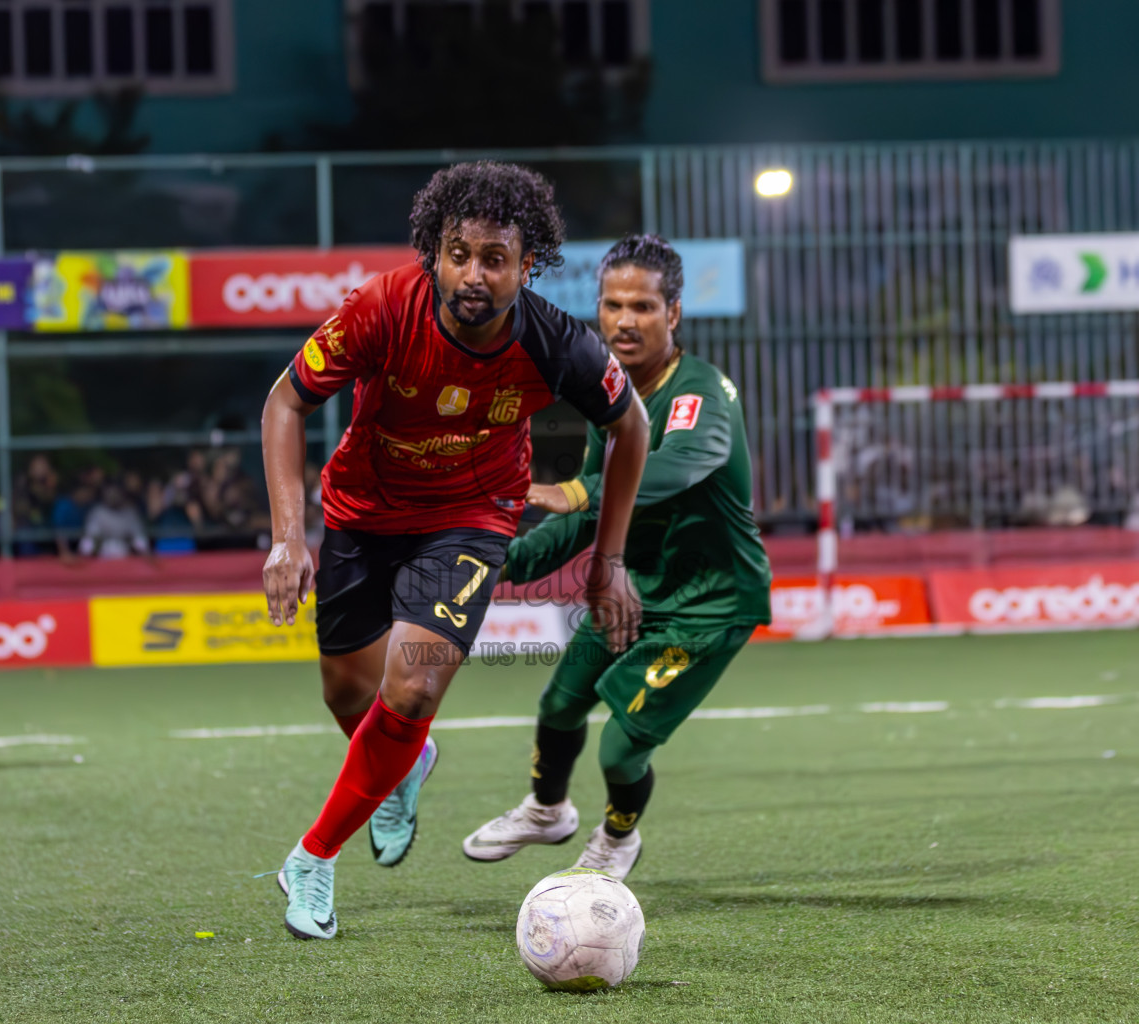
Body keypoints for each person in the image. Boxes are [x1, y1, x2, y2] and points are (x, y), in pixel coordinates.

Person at [261, 161, 650, 940]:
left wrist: (606, 562)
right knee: (348, 694)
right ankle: (404, 764)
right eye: (459, 253)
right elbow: (285, 401)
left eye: (495, 258)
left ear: (525, 264)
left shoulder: (554, 342)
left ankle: (312, 857)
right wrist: (287, 538)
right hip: (362, 511)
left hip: (471, 517)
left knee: (409, 688)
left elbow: (630, 426)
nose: (475, 274)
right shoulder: (379, 308)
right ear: (433, 253)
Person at [462, 235, 773, 880]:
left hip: (708, 604)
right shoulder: (603, 400)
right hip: (634, 588)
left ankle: (616, 838)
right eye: (612, 305)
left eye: (643, 306)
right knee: (558, 707)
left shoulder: (701, 395)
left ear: (674, 314)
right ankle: (548, 811)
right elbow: (584, 519)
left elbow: (672, 469)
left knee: (620, 745)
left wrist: (578, 487)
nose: (625, 320)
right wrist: (505, 562)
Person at [78, 483, 152, 560]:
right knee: (87, 545)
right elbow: (91, 536)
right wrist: (89, 551)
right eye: (110, 494)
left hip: (126, 555)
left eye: (116, 493)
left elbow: (139, 537)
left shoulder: (130, 512)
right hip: (102, 555)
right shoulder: (97, 512)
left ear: (122, 494)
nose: (113, 496)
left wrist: (141, 549)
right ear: (104, 495)